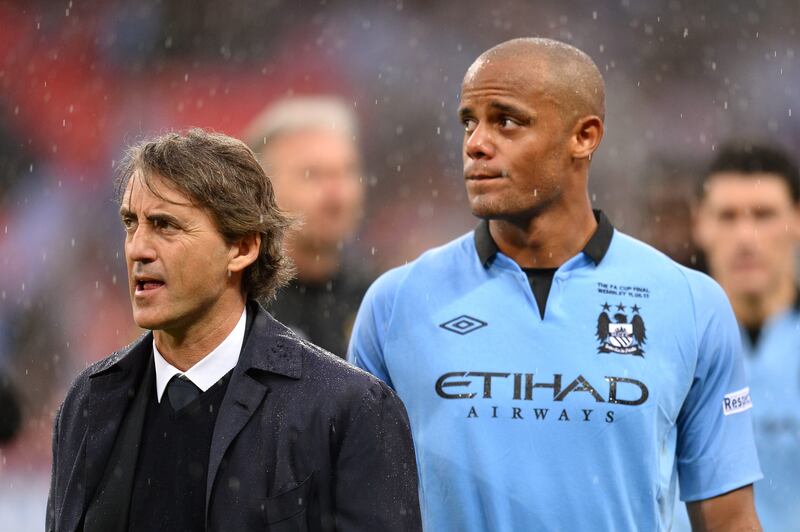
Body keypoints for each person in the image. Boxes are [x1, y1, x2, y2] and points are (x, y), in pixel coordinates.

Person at [349, 38, 762, 531]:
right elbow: (360, 511)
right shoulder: (396, 303)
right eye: (468, 121)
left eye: (506, 120)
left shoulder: (691, 303)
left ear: (584, 136)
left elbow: (730, 522)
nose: (475, 143)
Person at [46, 129, 421, 532]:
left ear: (242, 248)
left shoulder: (349, 407)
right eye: (130, 223)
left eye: (165, 225)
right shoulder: (90, 399)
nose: (138, 248)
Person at [692, 141, 800, 530]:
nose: (746, 236)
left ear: (798, 219)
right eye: (728, 216)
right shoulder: (665, 343)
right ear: (699, 223)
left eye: (764, 215)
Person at [244, 98, 370, 358]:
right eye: (313, 175)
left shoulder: (378, 298)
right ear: (260, 190)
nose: (337, 194)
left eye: (347, 172)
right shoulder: (233, 309)